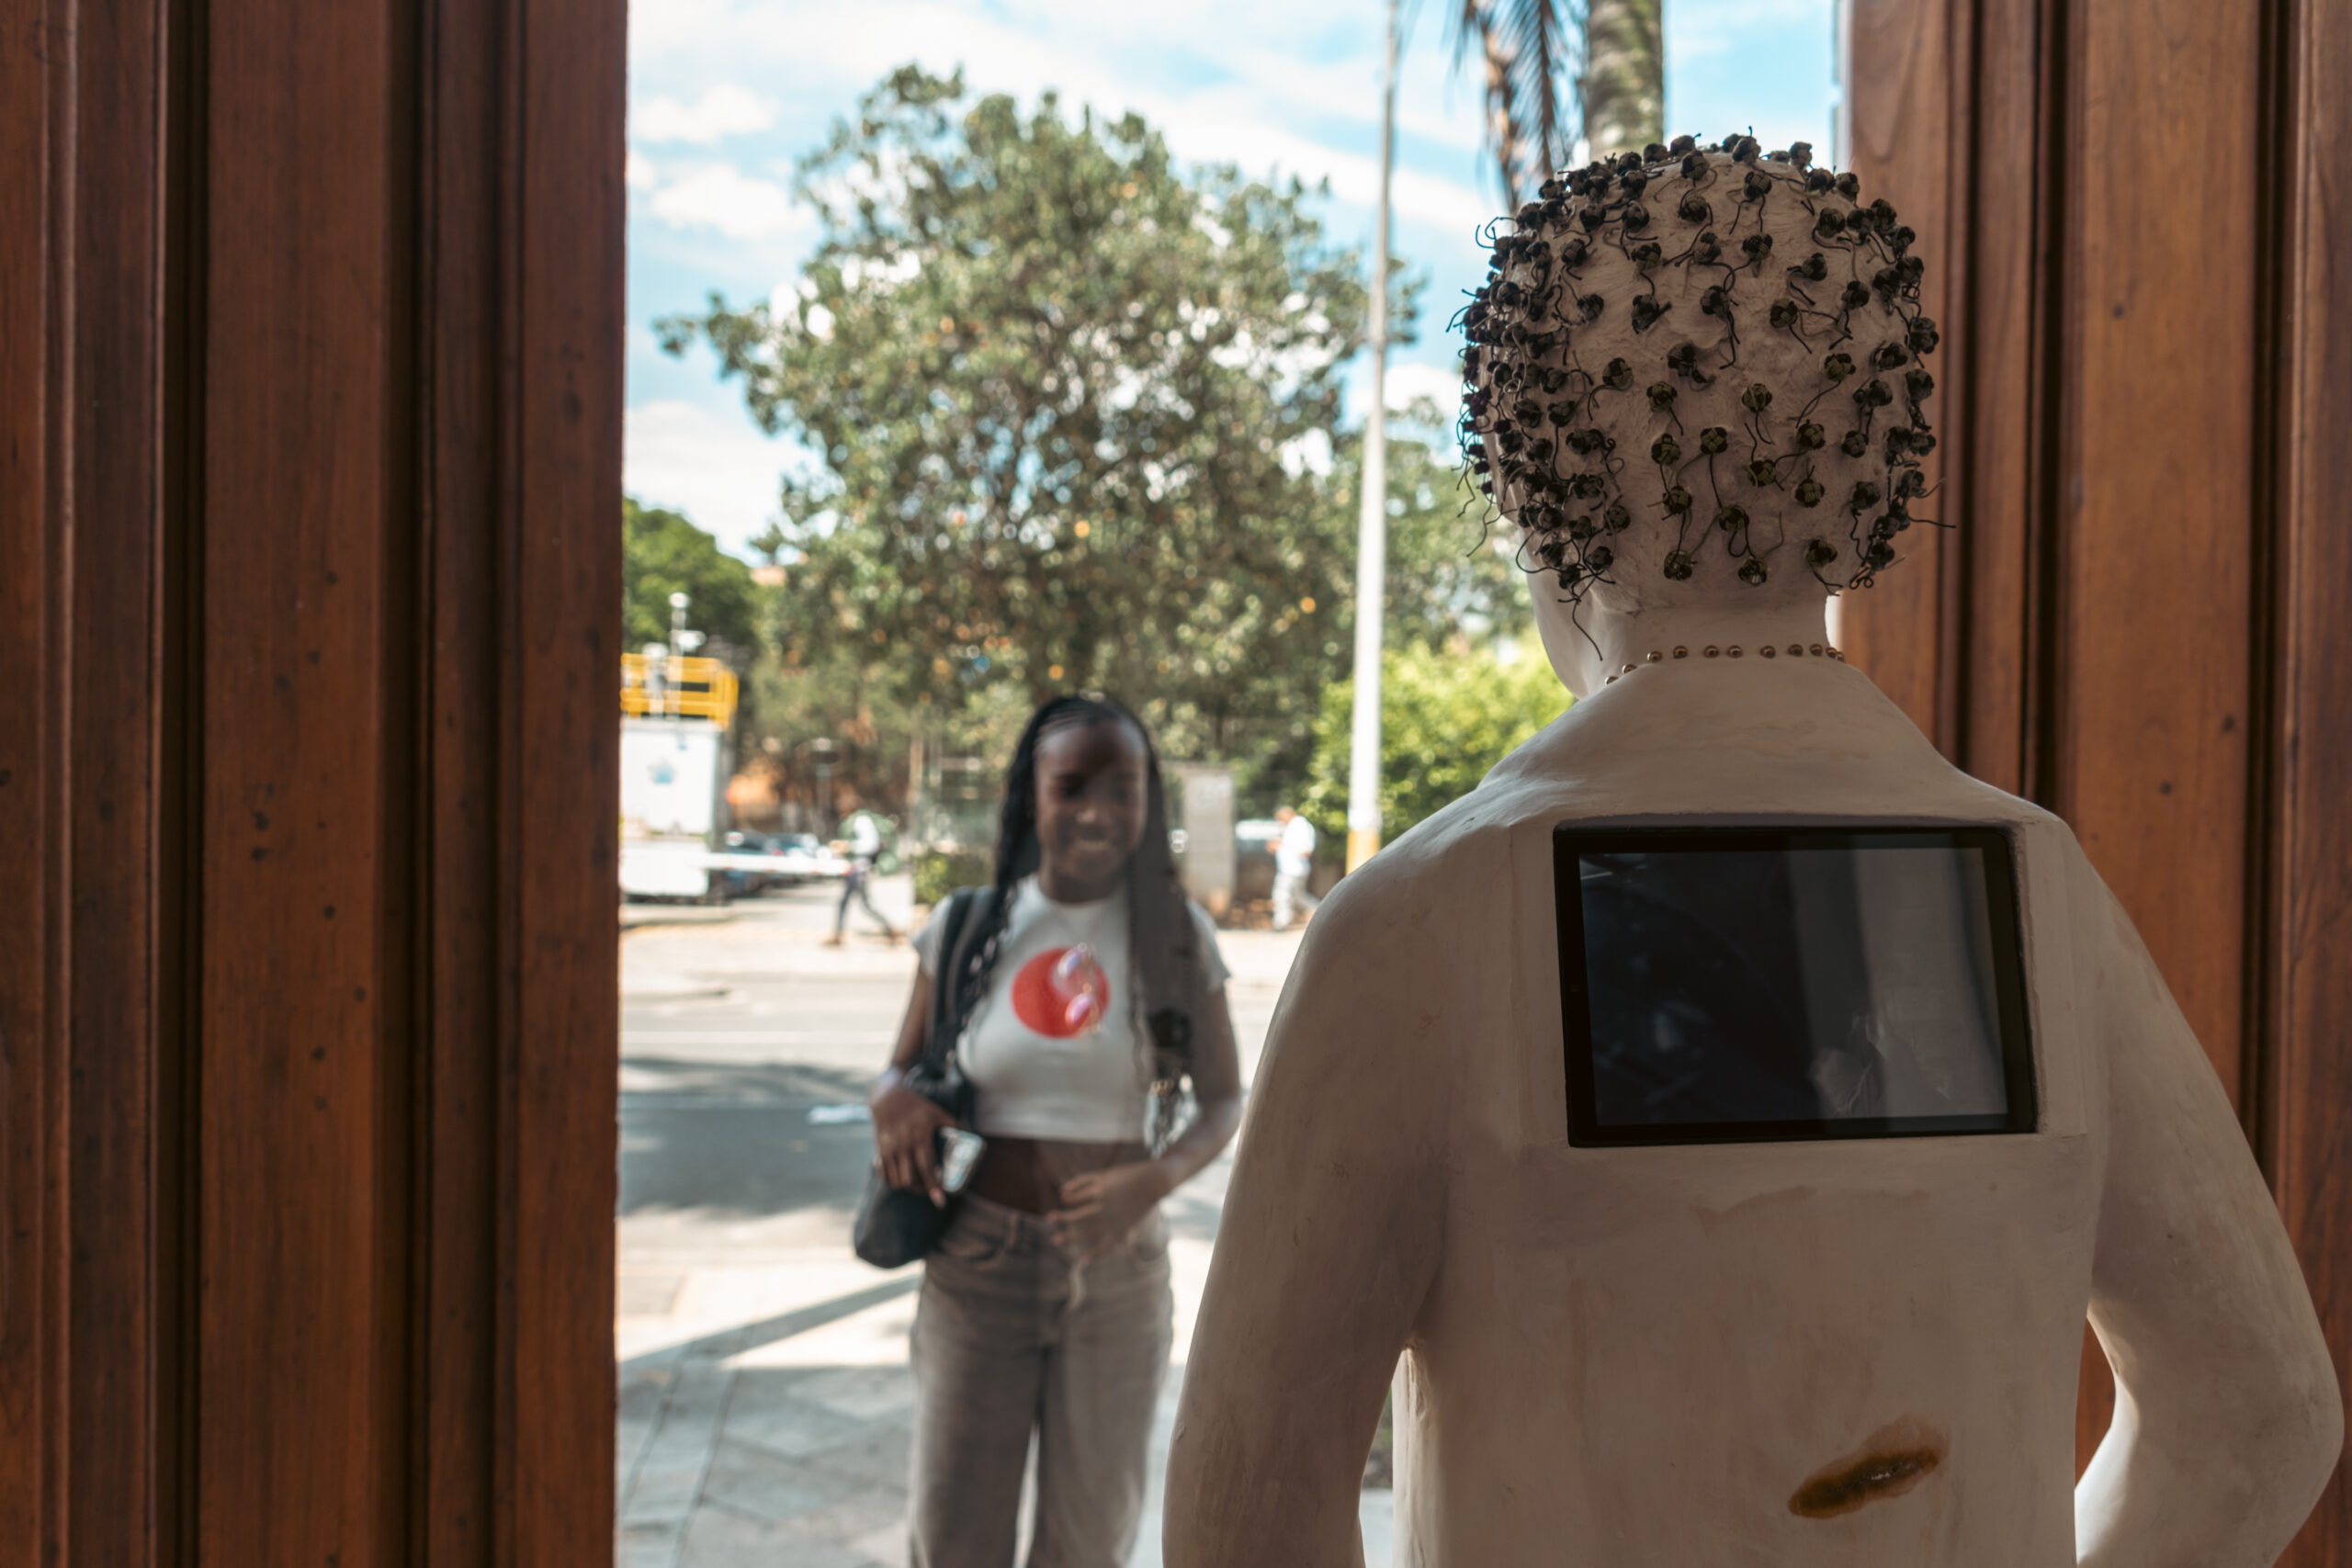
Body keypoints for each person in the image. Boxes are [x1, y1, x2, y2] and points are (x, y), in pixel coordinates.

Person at [870, 694, 1245, 1568]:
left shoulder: (1178, 937)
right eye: (1070, 785)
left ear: (1149, 800)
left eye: (1124, 788)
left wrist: (1148, 1181)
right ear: (1029, 796)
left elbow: (1225, 1098)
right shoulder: (966, 927)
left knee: (1088, 1544)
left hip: (1118, 1274)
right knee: (957, 1538)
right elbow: (900, 1072)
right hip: (976, 1266)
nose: (1098, 810)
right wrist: (891, 1097)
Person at [827, 808, 899, 945]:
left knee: (866, 905)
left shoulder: (860, 821)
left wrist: (848, 847)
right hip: (854, 868)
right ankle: (837, 934)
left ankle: (890, 928)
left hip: (860, 869)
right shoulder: (853, 822)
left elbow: (869, 845)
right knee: (844, 901)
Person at [1269, 805, 1319, 931]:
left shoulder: (1299, 826)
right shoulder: (1292, 826)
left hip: (1292, 869)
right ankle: (1321, 912)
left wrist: (1281, 847)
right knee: (1298, 897)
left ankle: (1281, 923)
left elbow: (1305, 851)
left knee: (1282, 895)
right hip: (1292, 869)